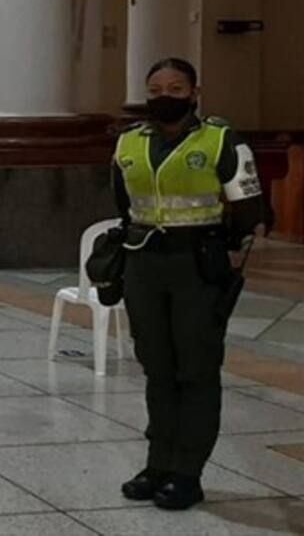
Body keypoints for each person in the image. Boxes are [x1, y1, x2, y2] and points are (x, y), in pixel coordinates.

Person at [114, 57, 268, 511]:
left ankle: (187, 472)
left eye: (176, 88)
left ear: (194, 94)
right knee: (157, 369)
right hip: (144, 264)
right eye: (156, 88)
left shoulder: (221, 140)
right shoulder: (128, 142)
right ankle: (157, 463)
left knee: (196, 371)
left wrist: (229, 256)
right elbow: (123, 201)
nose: (164, 96)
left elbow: (248, 208)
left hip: (197, 265)